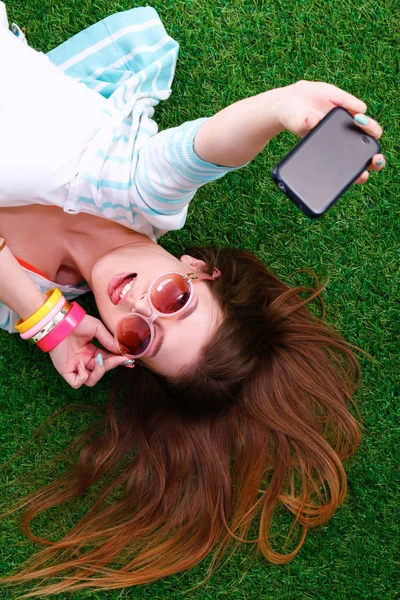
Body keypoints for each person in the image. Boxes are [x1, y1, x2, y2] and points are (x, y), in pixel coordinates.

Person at [0, 2, 385, 596]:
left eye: (140, 338)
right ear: (197, 269)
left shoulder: (25, 298)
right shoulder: (143, 192)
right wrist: (283, 105)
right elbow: (205, 151)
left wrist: (46, 321)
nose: (141, 310)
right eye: (176, 298)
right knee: (117, 170)